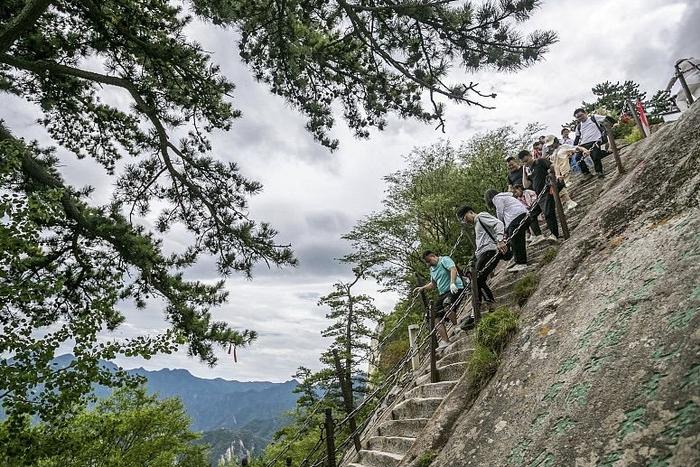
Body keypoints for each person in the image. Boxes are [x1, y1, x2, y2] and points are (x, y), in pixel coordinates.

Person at [457, 205, 507, 311]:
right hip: (483, 253)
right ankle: (486, 303)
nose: (465, 221)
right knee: (477, 278)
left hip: (489, 251)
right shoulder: (476, 224)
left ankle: (480, 307)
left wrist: (500, 240)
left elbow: (498, 223)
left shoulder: (481, 216)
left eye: (464, 218)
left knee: (477, 278)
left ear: (470, 212)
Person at [413, 251, 464, 349]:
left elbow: (453, 269)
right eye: (426, 262)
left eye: (429, 261)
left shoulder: (444, 260)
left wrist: (452, 283)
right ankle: (446, 340)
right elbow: (433, 284)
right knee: (434, 315)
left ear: (433, 256)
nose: (428, 264)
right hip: (443, 293)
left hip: (455, 288)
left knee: (447, 304)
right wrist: (422, 288)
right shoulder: (432, 270)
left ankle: (456, 326)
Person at [484, 189, 529, 272]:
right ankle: (517, 259)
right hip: (522, 214)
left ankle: (521, 262)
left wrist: (500, 223)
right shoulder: (505, 196)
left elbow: (499, 212)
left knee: (516, 241)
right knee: (516, 239)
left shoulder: (497, 198)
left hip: (515, 217)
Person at [543, 135, 592, 212]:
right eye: (550, 145)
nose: (551, 146)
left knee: (561, 189)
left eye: (552, 144)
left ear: (556, 141)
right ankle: (569, 203)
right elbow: (555, 165)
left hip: (566, 173)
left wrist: (585, 150)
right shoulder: (553, 153)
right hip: (558, 175)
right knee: (555, 191)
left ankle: (570, 203)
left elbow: (577, 147)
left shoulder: (564, 147)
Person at [518, 149, 559, 241]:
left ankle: (554, 234)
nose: (526, 163)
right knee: (531, 215)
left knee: (548, 213)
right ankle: (538, 235)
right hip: (539, 195)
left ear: (530, 155)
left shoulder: (540, 161)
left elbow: (553, 166)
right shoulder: (529, 169)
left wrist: (556, 175)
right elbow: (526, 185)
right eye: (523, 162)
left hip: (547, 191)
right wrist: (524, 170)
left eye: (526, 160)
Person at [573, 108, 608, 179]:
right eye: (578, 117)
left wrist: (615, 123)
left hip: (595, 140)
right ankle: (586, 173)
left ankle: (599, 172)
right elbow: (577, 138)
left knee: (595, 156)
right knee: (578, 158)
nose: (580, 118)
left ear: (585, 113)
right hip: (583, 144)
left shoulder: (594, 118)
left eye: (581, 115)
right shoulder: (578, 126)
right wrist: (574, 147)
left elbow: (606, 119)